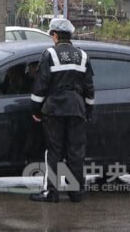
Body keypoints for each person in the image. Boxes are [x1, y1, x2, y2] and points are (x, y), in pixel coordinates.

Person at [29, 18, 94, 203]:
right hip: (77, 108)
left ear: (55, 35)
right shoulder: (83, 56)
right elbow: (89, 87)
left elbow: (40, 86)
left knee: (54, 151)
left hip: (55, 109)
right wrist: (88, 110)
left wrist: (36, 109)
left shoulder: (49, 54)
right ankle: (76, 192)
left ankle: (51, 192)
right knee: (76, 151)